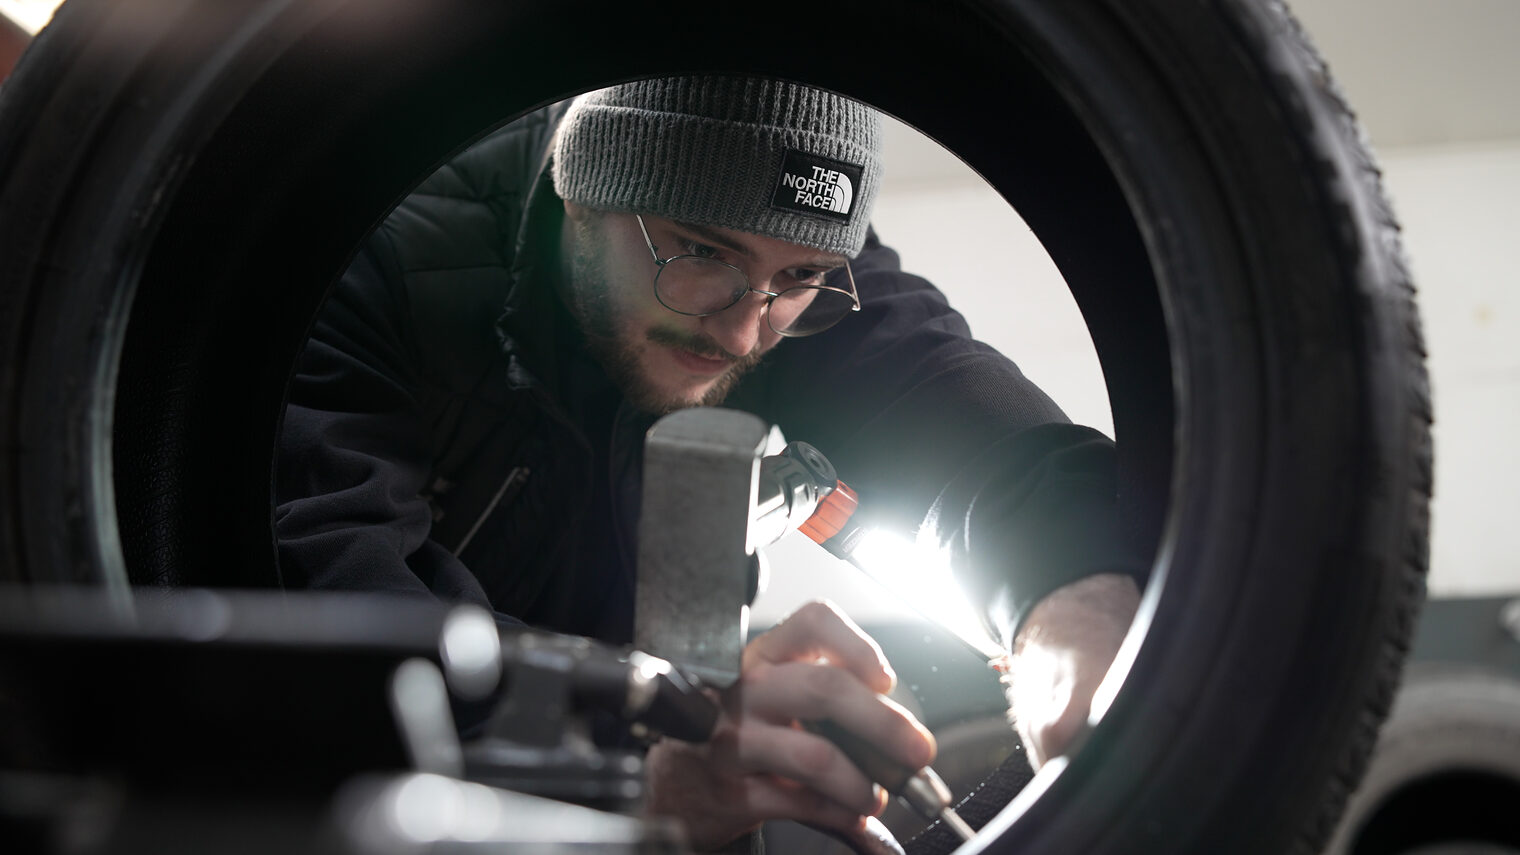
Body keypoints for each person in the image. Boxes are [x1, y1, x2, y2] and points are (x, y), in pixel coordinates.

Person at [275, 76, 1148, 852]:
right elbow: (330, 631)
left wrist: (1073, 596)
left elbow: (942, 402)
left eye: (798, 277)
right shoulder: (375, 263)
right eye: (700, 255)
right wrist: (633, 774)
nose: (742, 331)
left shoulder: (784, 274)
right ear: (583, 194)